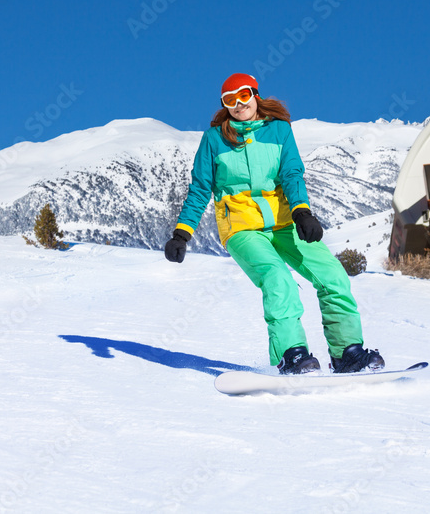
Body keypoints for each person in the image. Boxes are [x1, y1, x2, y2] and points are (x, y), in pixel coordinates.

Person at [163, 73, 384, 375]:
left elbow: (292, 174)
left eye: (243, 96)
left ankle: (347, 352)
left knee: (332, 275)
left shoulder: (279, 131)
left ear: (254, 95)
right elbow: (201, 188)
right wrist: (182, 234)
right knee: (277, 279)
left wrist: (302, 212)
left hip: (283, 222)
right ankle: (291, 355)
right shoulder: (214, 139)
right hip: (242, 228)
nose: (238, 105)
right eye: (230, 100)